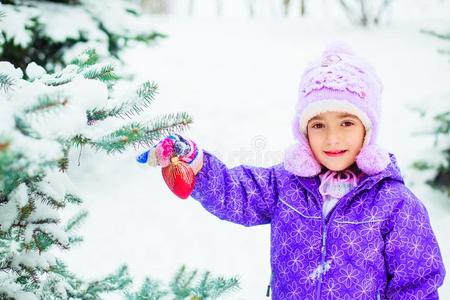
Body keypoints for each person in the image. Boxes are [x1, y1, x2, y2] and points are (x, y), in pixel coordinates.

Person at [137, 42, 446, 299]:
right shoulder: (286, 184)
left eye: (347, 123)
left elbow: (417, 283)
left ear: (368, 129)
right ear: (304, 131)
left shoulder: (395, 203)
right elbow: (237, 192)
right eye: (319, 125)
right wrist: (196, 162)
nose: (332, 137)